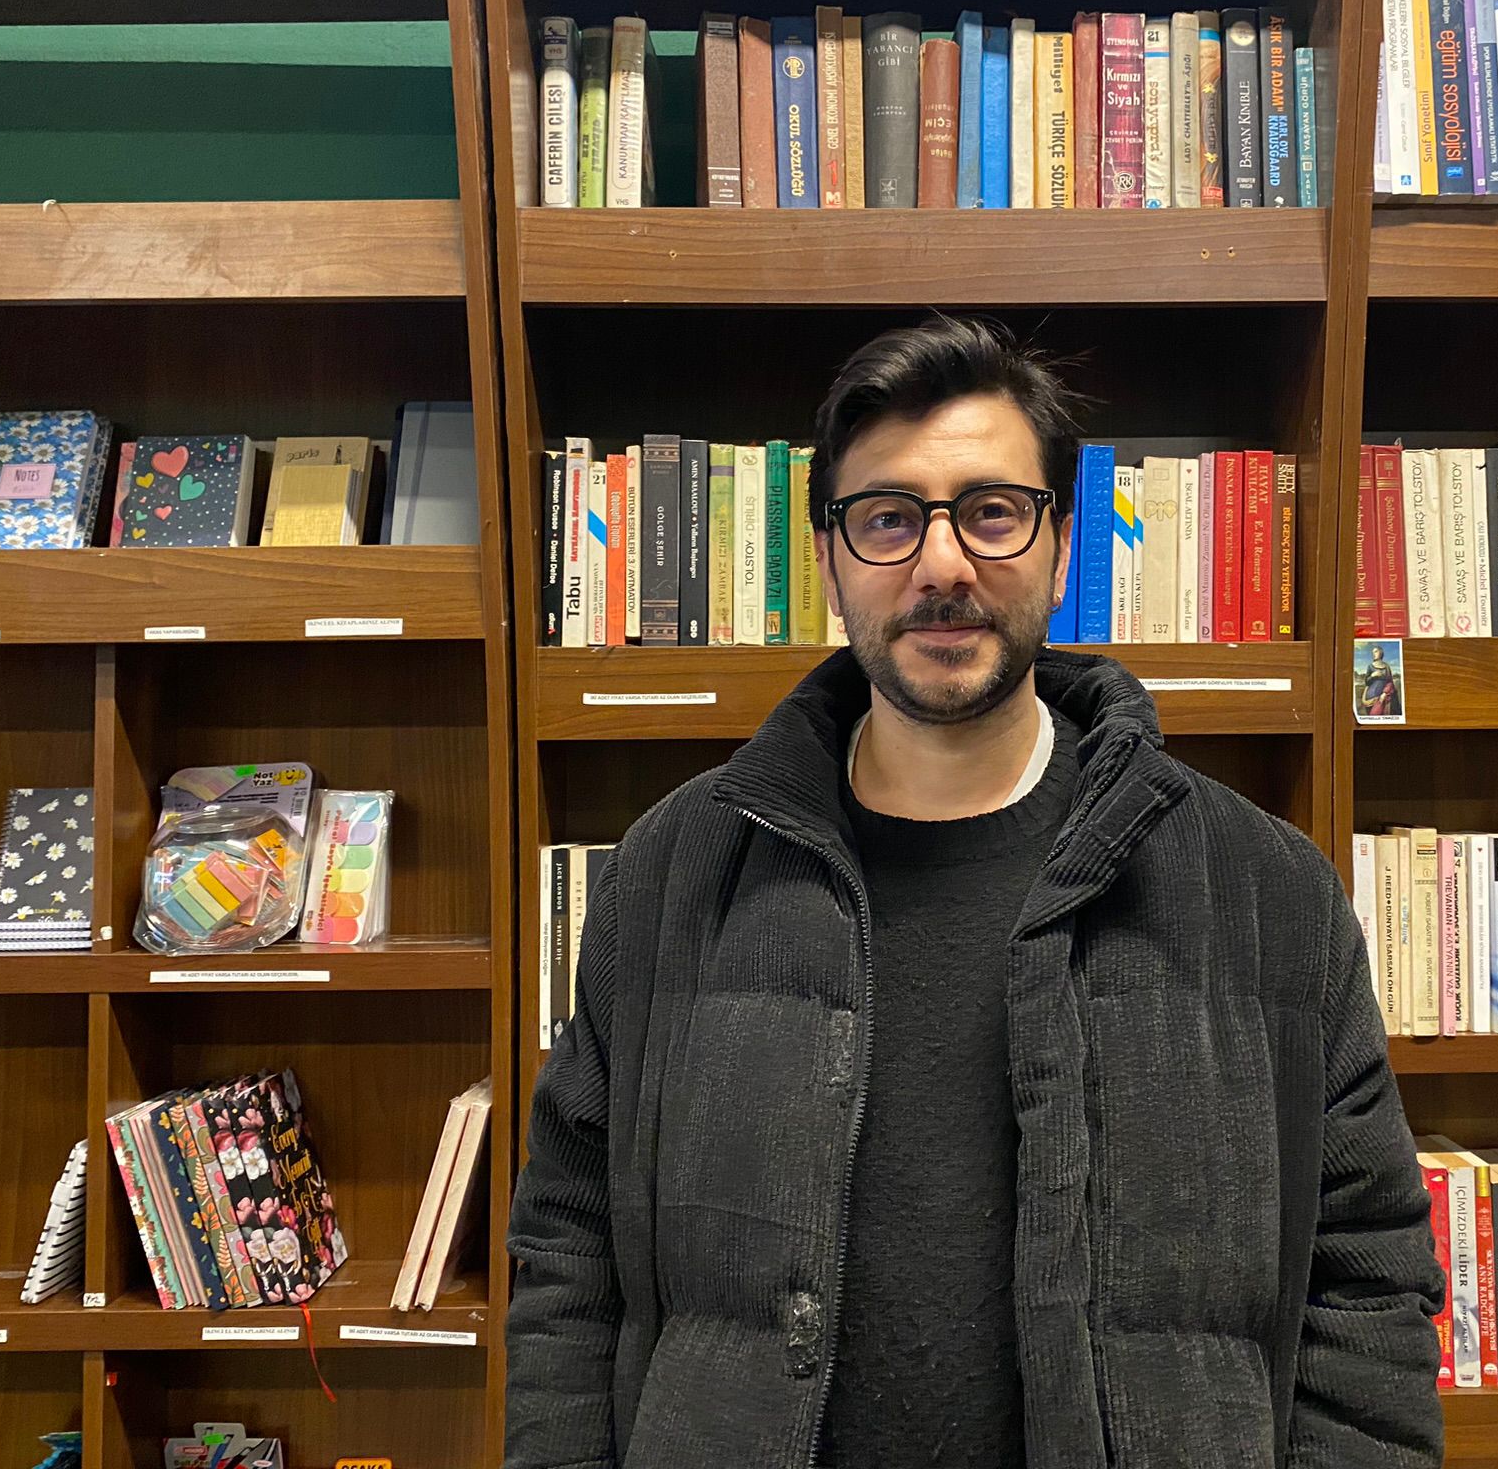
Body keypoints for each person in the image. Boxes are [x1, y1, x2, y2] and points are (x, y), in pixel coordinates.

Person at [505, 316, 1443, 1469]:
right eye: (887, 518)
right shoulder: (671, 873)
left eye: (991, 512)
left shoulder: (1266, 892)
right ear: (829, 559)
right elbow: (569, 1255)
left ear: (1060, 544)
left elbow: (1364, 1284)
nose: (942, 565)